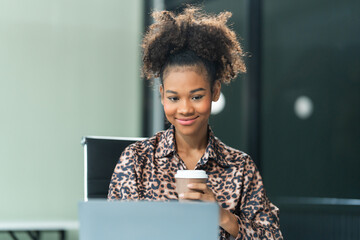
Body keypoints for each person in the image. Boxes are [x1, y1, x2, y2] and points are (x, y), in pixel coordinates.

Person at [108, 6, 283, 240]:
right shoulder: (136, 160)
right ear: (161, 96)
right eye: (173, 98)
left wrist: (222, 216)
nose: (185, 108)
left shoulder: (240, 168)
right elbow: (110, 233)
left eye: (197, 96)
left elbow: (272, 237)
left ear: (215, 91)